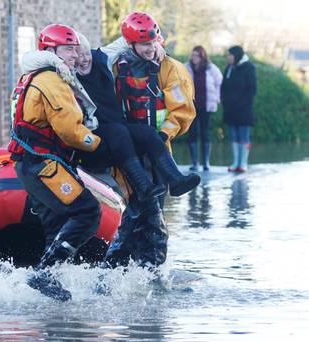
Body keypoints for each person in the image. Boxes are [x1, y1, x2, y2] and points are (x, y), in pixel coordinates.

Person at [20, 31, 201, 261]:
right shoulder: (64, 73)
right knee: (126, 208)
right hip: (101, 144)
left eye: (84, 53)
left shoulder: (103, 58)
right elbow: (29, 60)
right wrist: (58, 61)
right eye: (75, 53)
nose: (82, 58)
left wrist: (156, 46)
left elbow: (127, 40)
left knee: (143, 141)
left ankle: (176, 179)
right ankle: (134, 268)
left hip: (132, 147)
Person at [8, 24, 103, 301]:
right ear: (50, 50)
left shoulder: (33, 75)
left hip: (33, 165)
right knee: (87, 212)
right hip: (44, 166)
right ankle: (44, 273)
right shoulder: (51, 79)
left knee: (56, 224)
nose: (74, 55)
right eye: (68, 49)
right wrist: (98, 144)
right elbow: (70, 131)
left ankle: (48, 286)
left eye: (75, 48)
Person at [103, 11, 197, 269]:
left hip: (157, 151)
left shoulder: (171, 69)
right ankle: (138, 271)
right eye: (144, 44)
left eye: (152, 42)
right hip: (126, 153)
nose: (150, 48)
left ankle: (131, 270)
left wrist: (163, 134)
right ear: (129, 43)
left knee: (146, 213)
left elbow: (182, 111)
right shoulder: (114, 66)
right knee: (139, 212)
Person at [185, 46, 223, 172]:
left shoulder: (211, 68)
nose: (193, 58)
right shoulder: (187, 67)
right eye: (193, 55)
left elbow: (219, 82)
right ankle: (195, 163)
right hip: (191, 105)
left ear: (202, 57)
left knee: (205, 132)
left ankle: (206, 162)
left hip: (206, 105)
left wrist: (217, 98)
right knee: (192, 133)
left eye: (196, 55)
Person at [221, 45, 256, 172]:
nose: (228, 57)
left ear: (236, 55)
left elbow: (252, 89)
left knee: (243, 136)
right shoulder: (229, 68)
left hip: (244, 109)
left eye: (230, 55)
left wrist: (243, 103)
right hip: (230, 109)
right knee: (233, 136)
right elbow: (223, 86)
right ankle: (235, 163)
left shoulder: (249, 68)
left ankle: (243, 163)